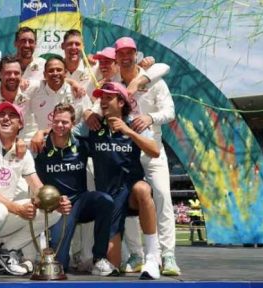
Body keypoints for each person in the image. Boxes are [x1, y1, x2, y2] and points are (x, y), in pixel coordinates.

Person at [0, 102, 71, 278]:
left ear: (20, 125)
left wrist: (57, 201)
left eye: (12, 115)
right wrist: (16, 208)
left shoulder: (23, 152)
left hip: (2, 213)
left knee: (53, 212)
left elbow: (37, 187)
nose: (5, 118)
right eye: (2, 114)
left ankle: (6, 250)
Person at [78, 82, 162, 279]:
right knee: (110, 268)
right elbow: (64, 134)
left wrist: (128, 131)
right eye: (102, 98)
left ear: (122, 102)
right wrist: (41, 134)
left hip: (130, 191)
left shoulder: (134, 123)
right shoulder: (93, 124)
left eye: (109, 97)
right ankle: (125, 255)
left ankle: (152, 256)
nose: (103, 101)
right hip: (109, 198)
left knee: (143, 189)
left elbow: (155, 151)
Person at [113, 37, 179, 276]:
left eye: (130, 52)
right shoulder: (114, 82)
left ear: (137, 55)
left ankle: (168, 254)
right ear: (117, 57)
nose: (126, 57)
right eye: (122, 53)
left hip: (152, 150)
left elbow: (170, 111)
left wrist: (151, 118)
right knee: (127, 199)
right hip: (125, 152)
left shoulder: (154, 79)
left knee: (162, 195)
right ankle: (136, 254)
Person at [34, 103, 115, 276]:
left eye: (65, 122)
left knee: (105, 201)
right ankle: (62, 256)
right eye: (56, 121)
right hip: (57, 207)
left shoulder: (82, 144)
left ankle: (99, 258)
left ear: (73, 124)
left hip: (80, 201)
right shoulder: (40, 146)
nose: (60, 126)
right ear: (51, 121)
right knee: (59, 263)